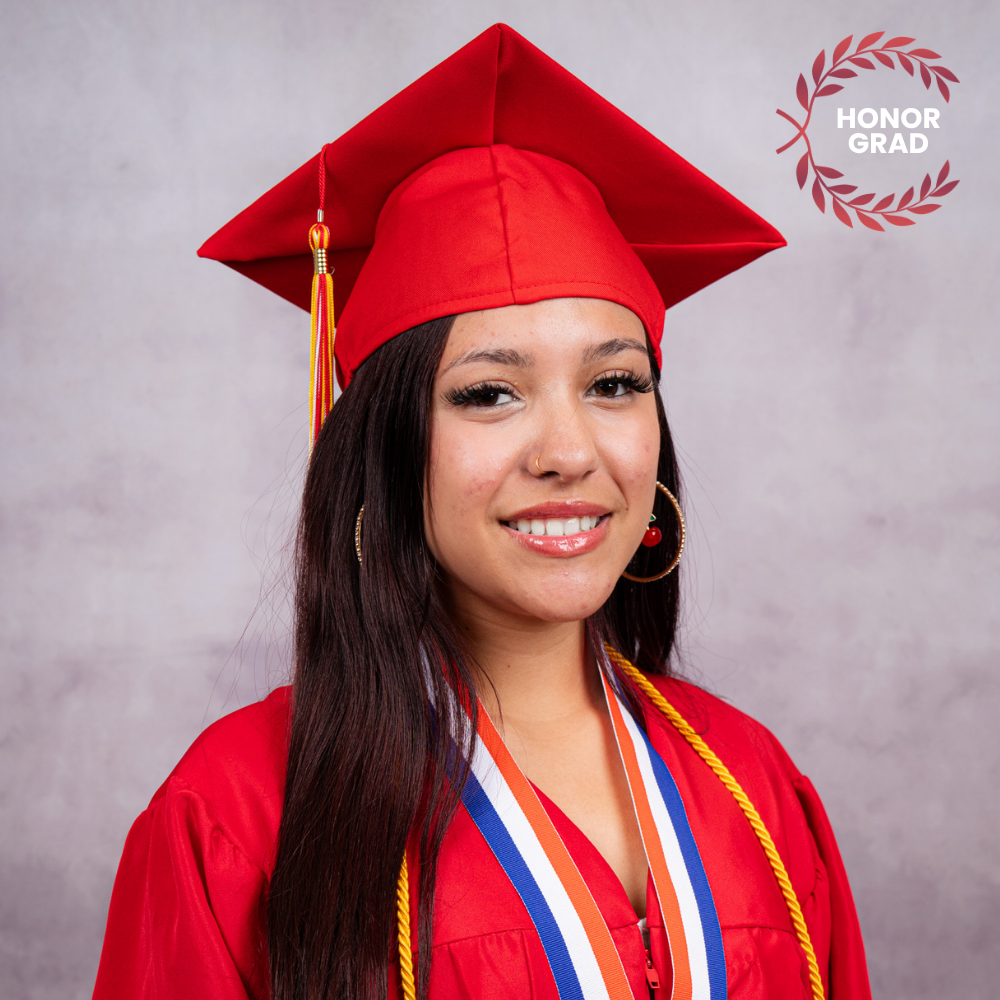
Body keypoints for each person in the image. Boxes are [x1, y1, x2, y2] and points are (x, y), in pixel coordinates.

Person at [93, 23, 871, 1000]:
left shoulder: (752, 783)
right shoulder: (238, 814)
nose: (569, 452)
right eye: (489, 393)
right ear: (385, 450)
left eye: (615, 383)